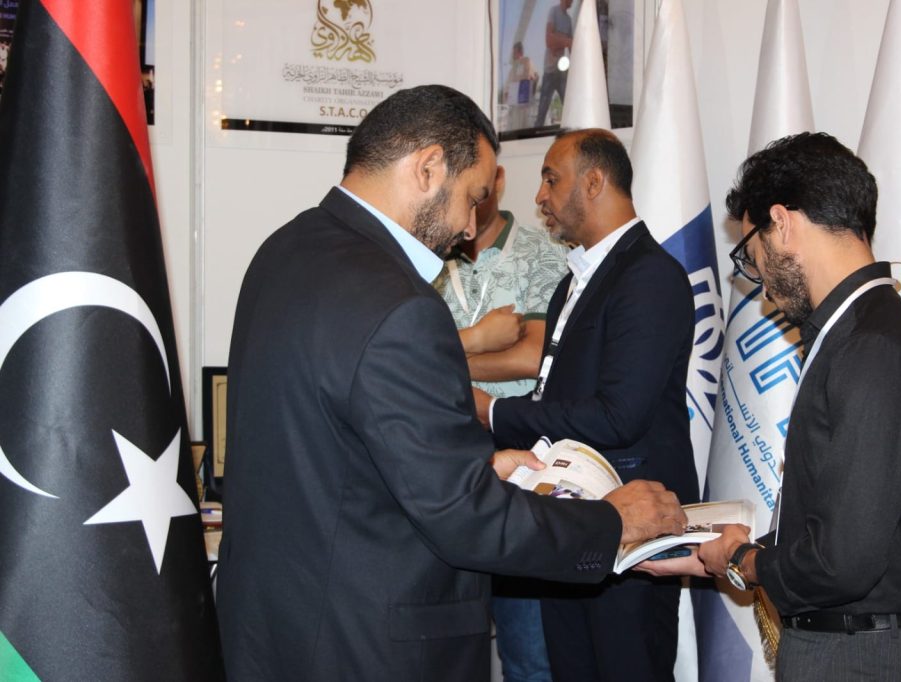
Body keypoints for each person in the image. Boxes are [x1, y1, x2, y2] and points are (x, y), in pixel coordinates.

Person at [216, 85, 689, 682]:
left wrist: (479, 467)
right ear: (428, 168)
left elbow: (337, 451)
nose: (469, 227)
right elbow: (464, 518)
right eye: (473, 198)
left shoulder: (283, 250)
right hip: (366, 643)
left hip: (276, 625)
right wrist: (611, 523)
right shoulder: (401, 306)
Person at [639, 132, 901, 681]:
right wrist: (714, 553)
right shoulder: (860, 334)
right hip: (863, 649)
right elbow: (840, 520)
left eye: (752, 255)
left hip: (868, 661)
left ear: (782, 222)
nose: (762, 285)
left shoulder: (870, 348)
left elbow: (843, 562)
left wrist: (743, 561)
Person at [474, 128, 699, 682]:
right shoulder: (574, 280)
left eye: (552, 179)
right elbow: (559, 396)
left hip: (634, 530)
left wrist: (494, 413)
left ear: (594, 182)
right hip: (575, 523)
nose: (540, 197)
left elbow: (619, 416)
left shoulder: (650, 276)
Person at [434, 163, 568, 681]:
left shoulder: (541, 252)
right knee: (440, 655)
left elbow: (532, 357)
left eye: (480, 191)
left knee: (528, 653)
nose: (469, 210)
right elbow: (393, 353)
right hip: (440, 469)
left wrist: (438, 361)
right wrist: (480, 341)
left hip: (521, 469)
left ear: (499, 179)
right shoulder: (427, 260)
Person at [534, 0, 573, 128]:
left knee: (569, 108)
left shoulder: (568, 20)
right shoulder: (554, 11)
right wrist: (566, 41)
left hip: (561, 71)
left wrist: (559, 39)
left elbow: (571, 46)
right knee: (542, 111)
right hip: (550, 69)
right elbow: (549, 40)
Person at [505, 42, 537, 131]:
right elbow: (508, 86)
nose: (513, 55)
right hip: (515, 106)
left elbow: (531, 76)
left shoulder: (527, 61)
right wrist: (507, 94)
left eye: (514, 52)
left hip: (524, 104)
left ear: (520, 52)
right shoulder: (513, 68)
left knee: (525, 126)